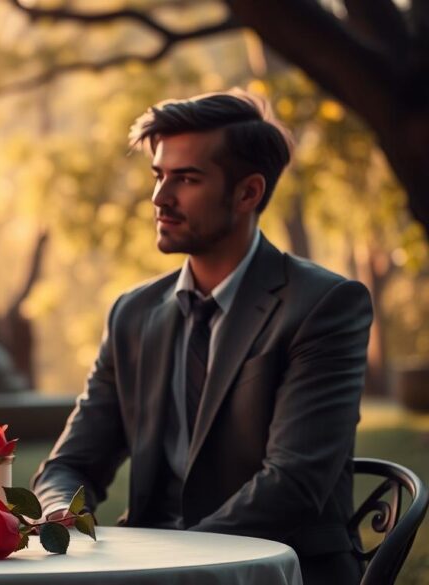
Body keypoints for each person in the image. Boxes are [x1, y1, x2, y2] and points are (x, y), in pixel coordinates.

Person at [31, 89, 372, 585]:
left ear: (248, 193)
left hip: (275, 571)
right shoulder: (133, 313)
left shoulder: (324, 305)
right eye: (158, 175)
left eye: (186, 179)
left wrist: (176, 565)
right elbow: (70, 464)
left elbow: (293, 484)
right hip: (149, 571)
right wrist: (61, 513)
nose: (159, 198)